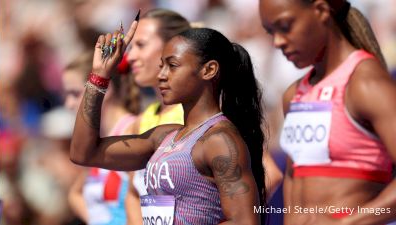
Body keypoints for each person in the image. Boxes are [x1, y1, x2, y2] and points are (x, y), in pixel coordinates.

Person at [70, 13, 267, 224]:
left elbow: (244, 221)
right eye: (161, 65)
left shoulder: (220, 140)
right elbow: (84, 153)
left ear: (209, 70)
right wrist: (99, 77)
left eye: (172, 66)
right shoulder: (163, 136)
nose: (162, 75)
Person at [259, 0, 396, 224]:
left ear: (321, 11)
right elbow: (294, 179)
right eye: (270, 32)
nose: (278, 42)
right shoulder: (294, 95)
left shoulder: (366, 84)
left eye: (284, 27)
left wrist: (348, 222)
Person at [123, 9, 191, 224]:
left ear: (172, 48)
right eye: (131, 47)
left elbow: (268, 175)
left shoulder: (199, 113)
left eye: (140, 45)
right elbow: (134, 194)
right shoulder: (139, 123)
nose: (130, 56)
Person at [63, 51, 140, 225]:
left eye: (74, 94)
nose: (68, 104)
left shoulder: (133, 130)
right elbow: (75, 194)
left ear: (106, 88)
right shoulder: (96, 140)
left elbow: (143, 199)